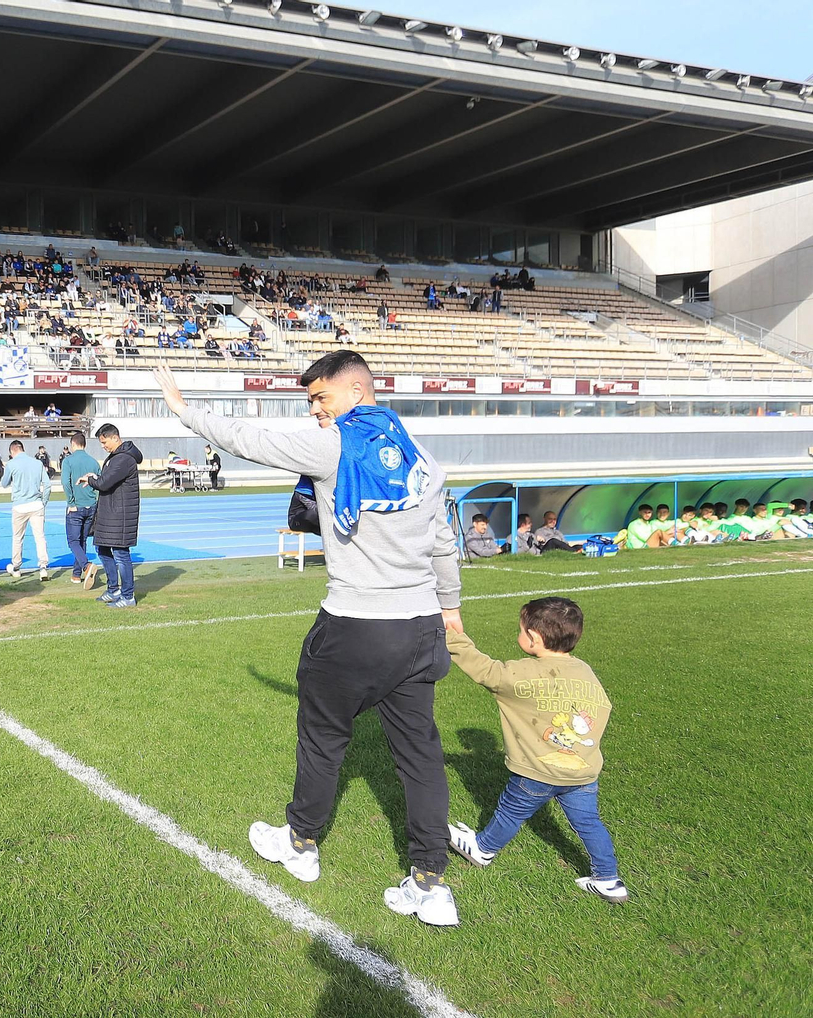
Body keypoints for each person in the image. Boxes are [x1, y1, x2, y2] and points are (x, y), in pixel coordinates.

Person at [154, 352, 464, 927]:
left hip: (355, 625)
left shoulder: (335, 446)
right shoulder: (420, 457)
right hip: (420, 628)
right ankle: (429, 882)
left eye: (320, 398)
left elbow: (252, 439)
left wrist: (183, 410)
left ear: (355, 391)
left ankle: (300, 844)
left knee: (323, 739)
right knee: (420, 755)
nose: (315, 410)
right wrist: (451, 610)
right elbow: (443, 542)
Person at [445, 597, 627, 903]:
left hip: (537, 771)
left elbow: (485, 670)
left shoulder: (521, 673)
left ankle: (483, 849)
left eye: (520, 630)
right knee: (589, 822)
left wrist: (451, 635)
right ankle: (609, 879)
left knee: (511, 811)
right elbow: (602, 707)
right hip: (582, 771)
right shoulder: (585, 671)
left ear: (534, 639)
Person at [79, 423, 142, 608]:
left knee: (121, 554)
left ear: (115, 437)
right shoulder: (115, 457)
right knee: (102, 549)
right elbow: (106, 480)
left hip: (120, 515)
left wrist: (92, 480)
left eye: (104, 442)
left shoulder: (124, 459)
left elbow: (105, 483)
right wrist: (95, 478)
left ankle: (128, 595)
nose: (103, 446)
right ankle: (114, 588)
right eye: (101, 443)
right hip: (109, 513)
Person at [1, 439, 50, 582]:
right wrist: (43, 502)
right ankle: (43, 567)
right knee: (40, 537)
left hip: (19, 505)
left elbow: (4, 483)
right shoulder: (37, 463)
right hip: (36, 504)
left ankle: (16, 567)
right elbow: (47, 485)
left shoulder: (11, 464)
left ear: (12, 452)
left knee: (18, 538)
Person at [60, 430, 101, 588]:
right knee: (82, 540)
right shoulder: (93, 461)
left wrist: (71, 502)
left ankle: (86, 565)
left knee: (72, 541)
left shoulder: (68, 461)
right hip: (91, 505)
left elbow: (65, 483)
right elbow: (100, 479)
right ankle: (76, 574)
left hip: (76, 506)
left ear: (73, 444)